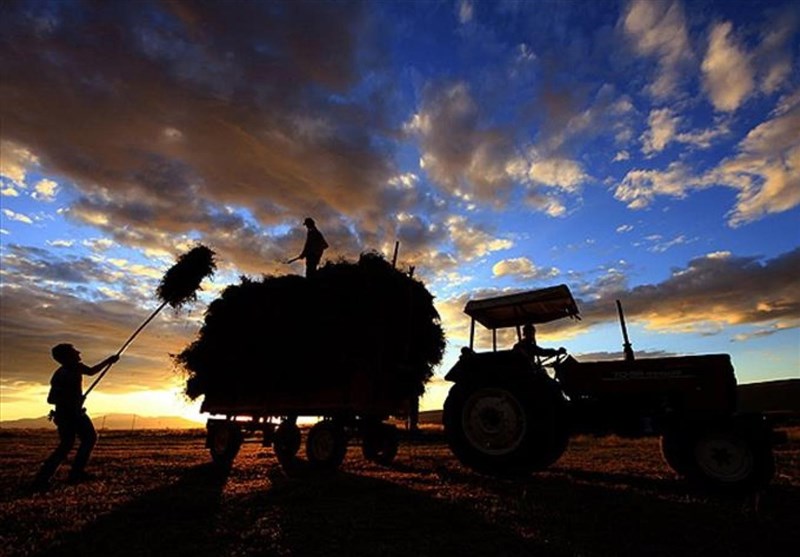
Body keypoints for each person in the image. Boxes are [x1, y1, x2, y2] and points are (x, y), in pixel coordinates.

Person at [32, 344, 119, 489]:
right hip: (67, 414)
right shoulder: (61, 374)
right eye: (74, 351)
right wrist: (72, 399)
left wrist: (109, 361)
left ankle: (71, 474)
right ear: (66, 357)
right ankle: (50, 477)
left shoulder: (77, 367)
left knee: (84, 440)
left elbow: (91, 372)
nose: (79, 352)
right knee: (71, 443)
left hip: (75, 412)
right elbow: (51, 399)